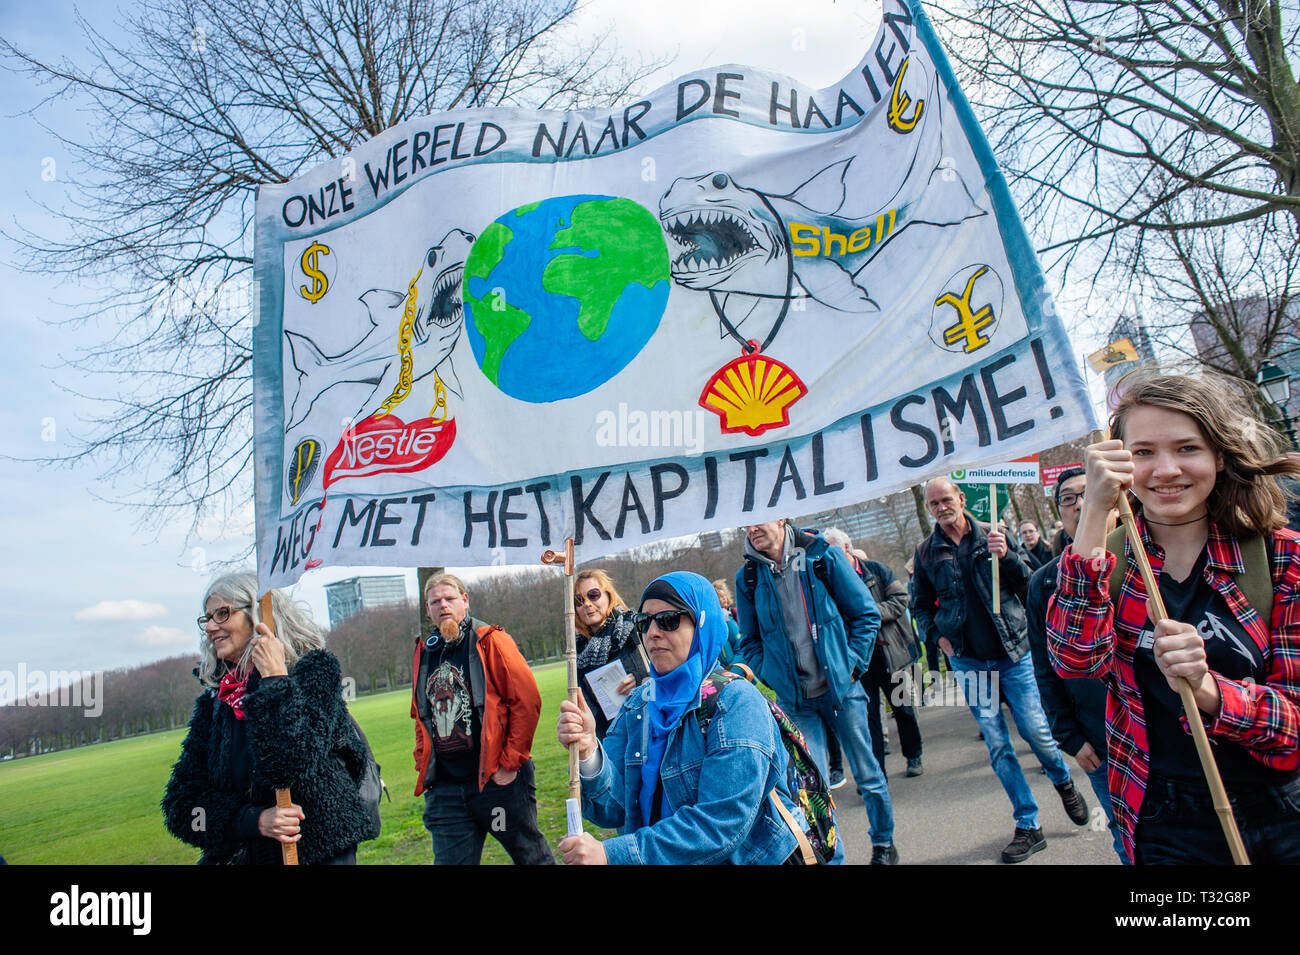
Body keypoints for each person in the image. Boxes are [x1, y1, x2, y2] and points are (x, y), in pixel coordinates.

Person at [1048, 372, 1300, 864]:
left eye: (1187, 448)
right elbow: (1076, 660)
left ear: (1219, 456)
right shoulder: (1103, 559)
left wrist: (1209, 690)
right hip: (1162, 812)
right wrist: (1096, 511)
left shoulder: (1280, 556)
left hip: (1280, 806)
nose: (1165, 470)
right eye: (1143, 453)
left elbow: (1293, 726)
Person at [555, 572, 805, 864]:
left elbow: (719, 825)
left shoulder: (736, 702)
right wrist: (587, 751)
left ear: (703, 623)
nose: (652, 633)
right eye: (644, 622)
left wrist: (613, 854)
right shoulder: (639, 702)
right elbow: (614, 807)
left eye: (669, 620)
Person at [911, 478, 1090, 863]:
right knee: (997, 744)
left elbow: (1029, 584)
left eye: (946, 499)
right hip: (969, 660)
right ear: (929, 508)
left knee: (1037, 732)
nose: (941, 507)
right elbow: (920, 605)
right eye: (934, 503)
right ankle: (1028, 822)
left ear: (961, 499)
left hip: (1013, 653)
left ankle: (1063, 781)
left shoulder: (995, 534)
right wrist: (939, 640)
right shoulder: (927, 552)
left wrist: (1007, 554)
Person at [162, 573, 373, 865]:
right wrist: (252, 820)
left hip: (315, 856)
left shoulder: (313, 673)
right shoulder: (216, 703)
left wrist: (274, 681)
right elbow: (181, 807)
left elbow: (288, 765)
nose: (210, 627)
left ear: (259, 615)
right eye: (207, 618)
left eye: (223, 614)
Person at [736, 519, 900, 864]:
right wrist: (771, 675)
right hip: (797, 703)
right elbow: (749, 640)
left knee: (868, 775)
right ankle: (832, 857)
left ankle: (884, 844)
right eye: (744, 524)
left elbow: (866, 615)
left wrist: (852, 665)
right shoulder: (748, 577)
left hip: (843, 691)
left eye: (758, 520)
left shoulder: (821, 555)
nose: (751, 529)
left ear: (780, 517)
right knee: (813, 791)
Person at [413, 573, 553, 865]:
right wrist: (423, 764)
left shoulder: (491, 640)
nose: (443, 606)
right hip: (448, 792)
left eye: (449, 598)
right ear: (427, 609)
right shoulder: (426, 653)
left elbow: (526, 702)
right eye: (435, 601)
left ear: (465, 600)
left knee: (530, 857)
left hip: (496, 785)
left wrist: (510, 763)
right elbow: (420, 716)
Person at [1026, 467, 1128, 862]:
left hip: (1166, 730)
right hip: (1099, 738)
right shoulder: (1046, 583)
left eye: (1092, 492)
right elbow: (1044, 667)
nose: (1082, 504)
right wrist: (1067, 735)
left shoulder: (1149, 559)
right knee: (1128, 835)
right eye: (1068, 498)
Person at [824, 528, 925, 778]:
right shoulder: (828, 581)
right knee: (868, 719)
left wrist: (867, 614)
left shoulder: (877, 570)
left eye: (830, 551)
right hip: (859, 658)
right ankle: (875, 773)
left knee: (903, 708)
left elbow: (901, 599)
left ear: (846, 548)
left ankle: (913, 755)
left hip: (890, 652)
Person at [574, 569, 647, 740]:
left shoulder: (635, 627)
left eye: (593, 595)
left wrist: (641, 678)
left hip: (647, 725)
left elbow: (665, 671)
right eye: (579, 600)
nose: (587, 604)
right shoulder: (578, 652)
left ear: (608, 596)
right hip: (612, 737)